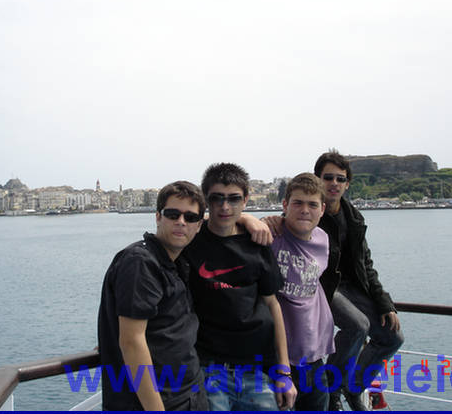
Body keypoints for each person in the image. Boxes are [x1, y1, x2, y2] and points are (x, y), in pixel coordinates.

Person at [265, 151, 404, 411]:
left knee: (393, 337)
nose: (334, 183)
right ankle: (334, 387)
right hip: (326, 287)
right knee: (357, 325)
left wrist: (384, 302)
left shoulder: (354, 218)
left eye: (340, 179)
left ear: (347, 184)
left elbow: (366, 264)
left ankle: (353, 386)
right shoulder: (293, 222)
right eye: (328, 177)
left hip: (350, 288)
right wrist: (262, 221)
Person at [183, 162, 297, 411]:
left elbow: (273, 305)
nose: (225, 207)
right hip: (208, 370)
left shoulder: (257, 243)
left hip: (257, 370)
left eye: (234, 199)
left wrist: (284, 372)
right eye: (217, 198)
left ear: (245, 200)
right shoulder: (190, 242)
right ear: (206, 201)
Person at [97, 181, 208, 411]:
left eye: (190, 217)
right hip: (159, 403)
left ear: (198, 225)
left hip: (190, 395)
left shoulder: (175, 261)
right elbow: (131, 341)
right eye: (173, 214)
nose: (181, 222)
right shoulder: (140, 262)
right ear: (158, 217)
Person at [271, 173, 334, 411]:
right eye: (297, 203)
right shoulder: (270, 235)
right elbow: (220, 223)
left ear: (322, 209)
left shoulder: (323, 239)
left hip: (314, 355)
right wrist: (251, 219)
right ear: (285, 205)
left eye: (312, 205)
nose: (305, 210)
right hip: (278, 359)